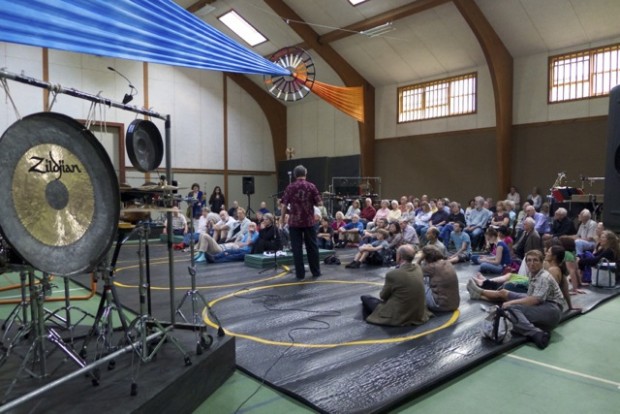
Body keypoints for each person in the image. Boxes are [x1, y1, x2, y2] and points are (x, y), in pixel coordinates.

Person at [467, 249, 568, 349]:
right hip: (544, 303)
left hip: (552, 310)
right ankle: (479, 293)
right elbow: (531, 297)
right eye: (529, 260)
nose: (531, 263)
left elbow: (535, 300)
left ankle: (536, 333)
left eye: (535, 260)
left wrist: (511, 303)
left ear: (541, 262)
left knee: (510, 310)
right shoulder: (533, 274)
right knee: (505, 293)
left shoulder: (544, 277)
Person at [360, 245, 432, 326]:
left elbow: (383, 296)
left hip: (401, 314)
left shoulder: (393, 274)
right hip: (419, 312)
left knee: (365, 298)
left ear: (399, 256)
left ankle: (368, 322)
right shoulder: (418, 268)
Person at [280, 165, 322, 280]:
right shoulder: (311, 186)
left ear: (294, 175)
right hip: (309, 221)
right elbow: (320, 203)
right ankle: (316, 272)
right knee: (312, 247)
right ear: (306, 173)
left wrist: (282, 218)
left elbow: (283, 205)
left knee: (296, 248)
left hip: (294, 221)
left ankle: (300, 274)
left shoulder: (290, 187)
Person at [420, 245, 460, 312]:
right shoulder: (448, 262)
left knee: (418, 281)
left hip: (440, 306)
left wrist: (420, 259)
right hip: (455, 304)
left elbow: (414, 271)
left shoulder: (431, 267)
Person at [194, 222, 259, 263]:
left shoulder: (256, 234)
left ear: (256, 227)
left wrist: (250, 234)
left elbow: (248, 243)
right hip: (236, 248)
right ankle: (213, 257)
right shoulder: (246, 235)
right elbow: (240, 244)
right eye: (250, 226)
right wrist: (242, 243)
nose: (251, 227)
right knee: (227, 252)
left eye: (253, 226)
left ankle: (214, 260)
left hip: (246, 251)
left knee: (232, 256)